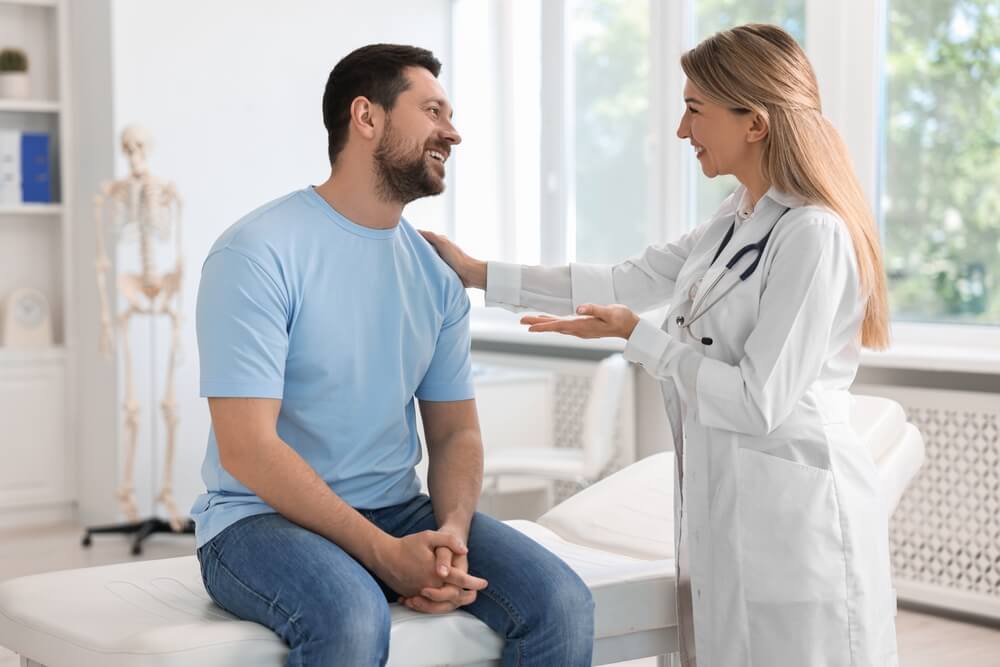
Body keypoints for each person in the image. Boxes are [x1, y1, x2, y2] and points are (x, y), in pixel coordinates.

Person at [423, 24, 898, 667]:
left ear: (754, 122)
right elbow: (624, 279)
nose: (681, 131)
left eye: (695, 110)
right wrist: (479, 273)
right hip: (722, 495)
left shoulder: (813, 235)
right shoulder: (736, 219)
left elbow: (759, 402)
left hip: (794, 518)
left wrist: (639, 337)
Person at [192, 44, 594, 667]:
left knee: (562, 603)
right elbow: (247, 447)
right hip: (258, 520)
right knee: (352, 616)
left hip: (398, 507)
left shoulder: (435, 276)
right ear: (367, 117)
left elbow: (457, 432)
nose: (453, 132)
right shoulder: (257, 253)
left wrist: (452, 535)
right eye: (433, 110)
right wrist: (384, 555)